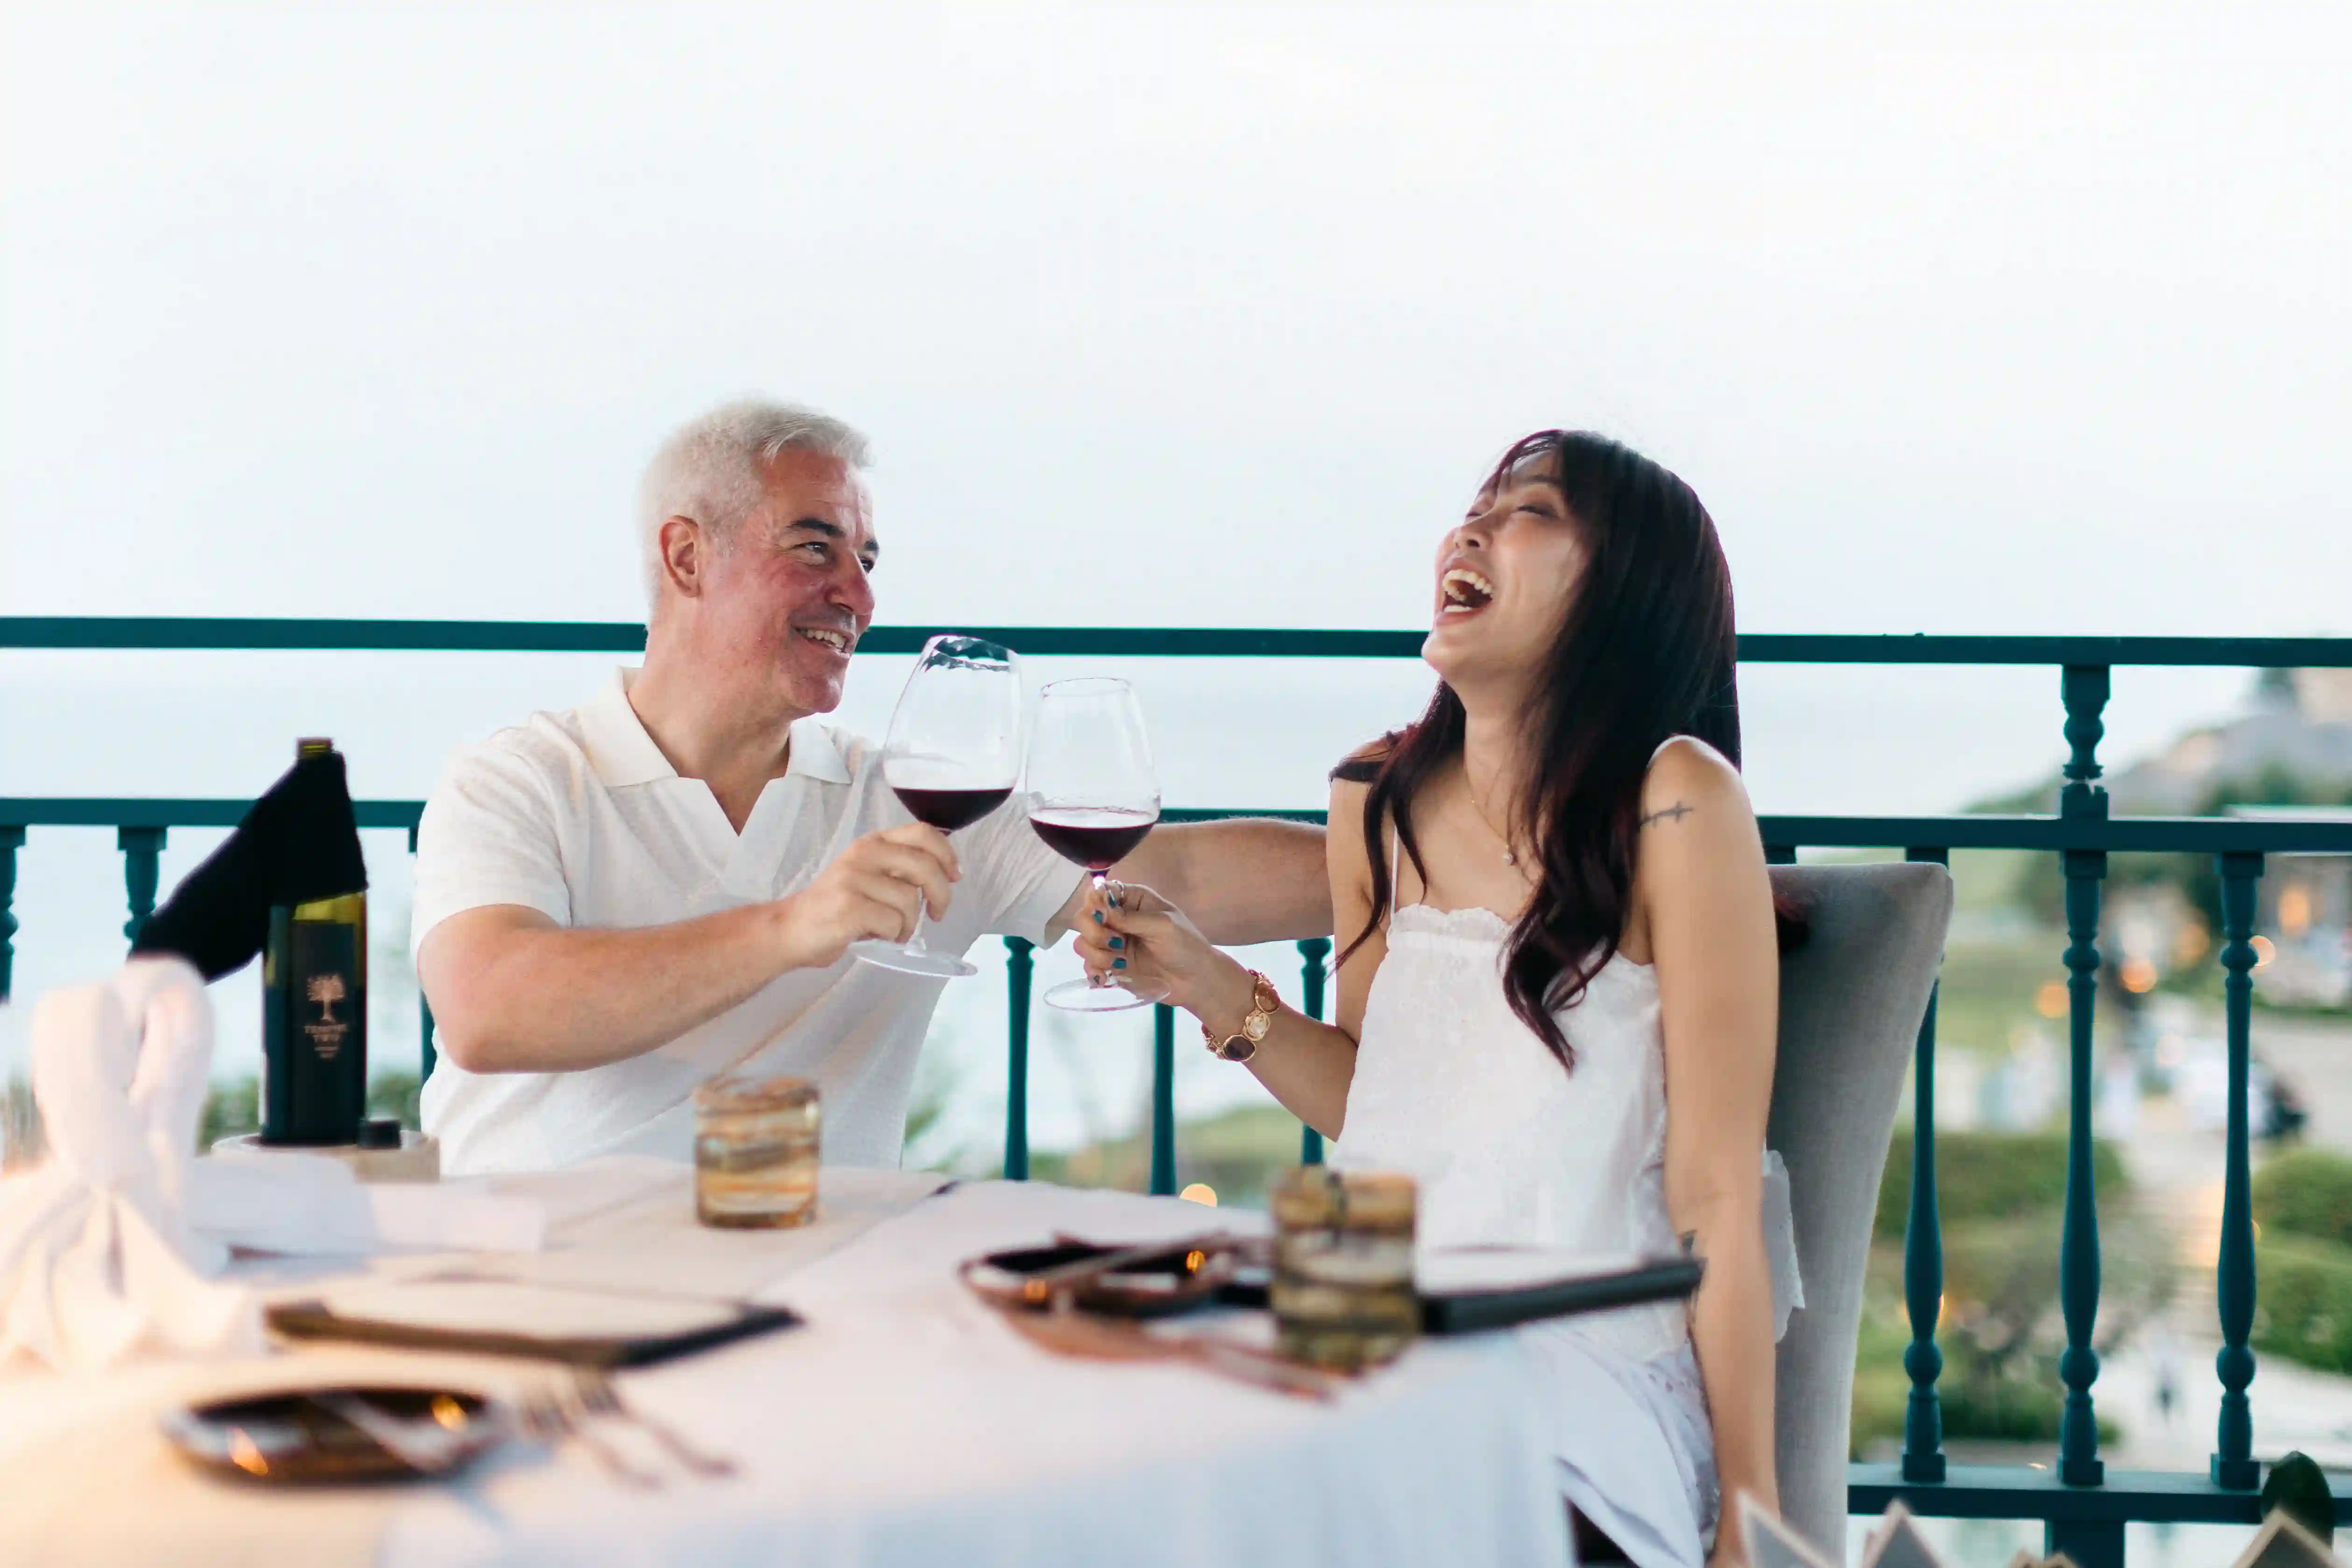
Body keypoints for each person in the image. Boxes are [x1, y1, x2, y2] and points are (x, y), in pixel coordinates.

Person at [1080, 431, 1800, 1568]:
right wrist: (1211, 988)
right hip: (1377, 1348)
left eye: (1530, 511)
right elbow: (1376, 1097)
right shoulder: (1375, 794)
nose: (1468, 529)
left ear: (1623, 591)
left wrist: (1750, 1514)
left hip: (1583, 1387)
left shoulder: (1677, 798)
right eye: (1473, 505)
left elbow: (1717, 1184)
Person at [413, 398, 1328, 1176]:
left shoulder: (901, 801)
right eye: (816, 549)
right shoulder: (516, 779)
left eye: (868, 561)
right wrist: (795, 926)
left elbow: (1190, 880)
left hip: (803, 1301)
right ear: (688, 558)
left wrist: (1431, 840)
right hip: (526, 1291)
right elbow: (492, 1011)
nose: (858, 594)